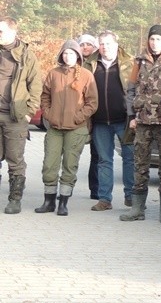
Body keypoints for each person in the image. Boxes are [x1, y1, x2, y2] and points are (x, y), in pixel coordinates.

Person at [121, 24, 161, 222]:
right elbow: (131, 89)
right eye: (151, 39)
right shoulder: (139, 61)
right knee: (139, 164)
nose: (154, 42)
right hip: (142, 121)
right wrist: (132, 116)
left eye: (158, 39)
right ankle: (137, 208)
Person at [34, 39, 98, 216]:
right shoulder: (53, 74)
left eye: (71, 53)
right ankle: (48, 201)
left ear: (78, 56)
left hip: (76, 128)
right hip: (55, 127)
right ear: (61, 55)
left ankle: (63, 202)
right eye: (65, 53)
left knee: (70, 165)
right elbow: (45, 96)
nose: (68, 56)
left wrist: (78, 117)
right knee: (49, 164)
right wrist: (48, 114)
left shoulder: (86, 75)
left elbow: (92, 103)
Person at [84, 30, 135, 211]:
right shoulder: (90, 64)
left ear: (116, 44)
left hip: (124, 120)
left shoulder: (129, 63)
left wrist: (134, 116)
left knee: (130, 158)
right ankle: (105, 199)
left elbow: (136, 90)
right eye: (102, 44)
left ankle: (131, 196)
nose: (105, 47)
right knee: (104, 161)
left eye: (108, 43)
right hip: (99, 122)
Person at [0, 16, 42, 214]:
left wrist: (29, 112)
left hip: (15, 117)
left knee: (15, 159)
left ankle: (14, 200)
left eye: (1, 31)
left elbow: (36, 85)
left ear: (13, 32)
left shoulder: (26, 55)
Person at [78, 33, 100, 200]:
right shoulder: (71, 60)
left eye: (89, 44)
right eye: (82, 44)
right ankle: (65, 187)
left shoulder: (97, 62)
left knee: (97, 154)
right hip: (78, 113)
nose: (85, 47)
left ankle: (95, 189)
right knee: (71, 151)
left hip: (96, 113)